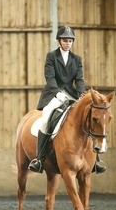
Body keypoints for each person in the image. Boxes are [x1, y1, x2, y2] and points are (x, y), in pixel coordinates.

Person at [28, 26, 107, 174]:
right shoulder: (51, 56)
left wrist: (82, 95)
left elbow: (79, 79)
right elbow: (50, 78)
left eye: (70, 40)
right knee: (46, 120)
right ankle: (39, 159)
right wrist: (57, 93)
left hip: (72, 95)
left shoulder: (76, 59)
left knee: (88, 119)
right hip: (53, 94)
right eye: (65, 40)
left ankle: (95, 161)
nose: (68, 43)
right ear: (59, 41)